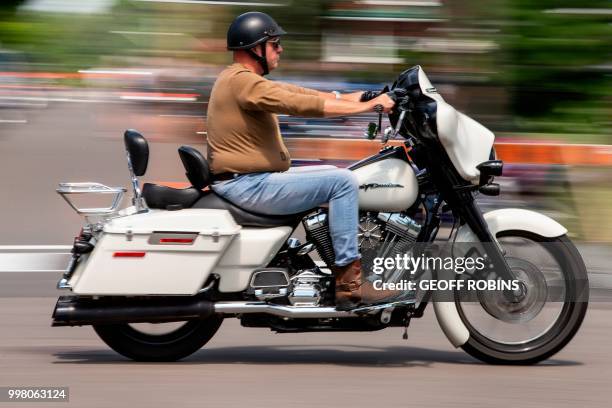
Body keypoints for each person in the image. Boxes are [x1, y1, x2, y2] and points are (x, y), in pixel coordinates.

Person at [206, 11, 397, 310]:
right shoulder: (242, 82)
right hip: (248, 185)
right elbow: (299, 103)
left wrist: (362, 96)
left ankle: (325, 258)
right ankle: (350, 284)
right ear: (256, 47)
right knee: (342, 182)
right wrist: (369, 107)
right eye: (275, 43)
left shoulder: (242, 80)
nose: (280, 49)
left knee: (338, 172)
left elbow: (299, 92)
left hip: (251, 181)